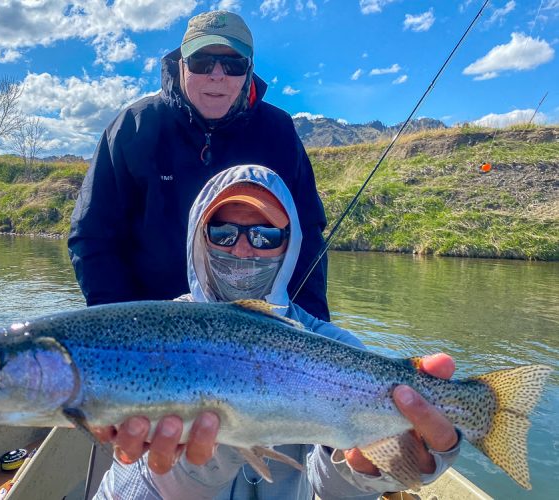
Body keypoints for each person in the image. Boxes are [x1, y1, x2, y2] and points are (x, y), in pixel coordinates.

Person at [94, 165, 461, 499]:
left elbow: (328, 487)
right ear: (200, 240)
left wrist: (367, 472)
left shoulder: (330, 348)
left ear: (289, 245)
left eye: (264, 236)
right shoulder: (157, 335)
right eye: (222, 232)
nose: (241, 249)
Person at [68, 10, 330, 321]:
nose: (217, 75)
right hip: (152, 328)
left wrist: (312, 329)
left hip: (259, 328)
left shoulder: (279, 131)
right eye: (202, 62)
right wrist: (120, 328)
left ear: (249, 70)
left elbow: (308, 235)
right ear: (180, 64)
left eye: (233, 64)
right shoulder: (132, 128)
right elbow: (93, 235)